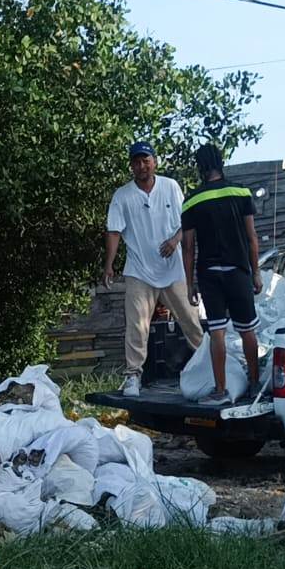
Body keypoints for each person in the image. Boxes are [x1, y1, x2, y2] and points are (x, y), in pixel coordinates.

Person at [103, 140, 204, 397]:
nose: (142, 166)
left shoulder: (170, 187)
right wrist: (109, 265)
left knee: (191, 320)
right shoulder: (122, 196)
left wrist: (175, 241)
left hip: (173, 269)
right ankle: (133, 376)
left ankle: (210, 367)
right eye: (137, 162)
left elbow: (187, 221)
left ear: (154, 162)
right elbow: (114, 230)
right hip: (139, 270)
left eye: (146, 160)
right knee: (136, 326)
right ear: (131, 166)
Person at [181, 143, 262, 406]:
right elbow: (252, 239)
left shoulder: (192, 199)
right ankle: (254, 383)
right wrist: (256, 273)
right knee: (247, 330)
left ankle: (220, 389)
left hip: (210, 274)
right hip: (238, 271)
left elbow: (189, 247)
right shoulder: (241, 192)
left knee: (217, 332)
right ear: (220, 162)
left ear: (200, 167)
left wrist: (189, 283)